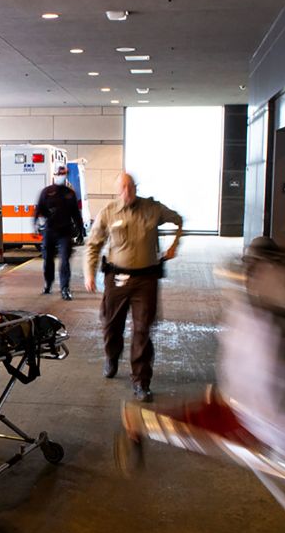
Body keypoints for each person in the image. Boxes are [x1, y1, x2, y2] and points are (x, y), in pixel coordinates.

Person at [84, 173, 183, 402]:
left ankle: (141, 381)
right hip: (116, 279)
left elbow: (178, 219)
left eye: (130, 187)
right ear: (117, 190)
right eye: (123, 188)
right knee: (111, 326)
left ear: (136, 187)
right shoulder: (108, 212)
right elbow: (93, 244)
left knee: (142, 331)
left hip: (145, 280)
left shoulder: (153, 208)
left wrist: (174, 245)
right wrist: (89, 273)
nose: (127, 192)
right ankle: (111, 356)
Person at [34, 165, 84, 300]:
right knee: (48, 259)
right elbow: (38, 209)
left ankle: (65, 288)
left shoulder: (70, 193)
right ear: (55, 175)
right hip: (50, 230)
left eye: (64, 173)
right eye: (60, 173)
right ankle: (48, 283)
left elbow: (76, 214)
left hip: (65, 231)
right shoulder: (46, 192)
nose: (62, 175)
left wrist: (81, 231)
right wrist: (36, 223)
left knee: (65, 260)